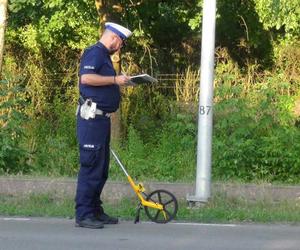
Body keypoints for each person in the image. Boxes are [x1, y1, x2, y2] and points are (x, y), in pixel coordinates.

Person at [75, 22, 132, 229]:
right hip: (91, 120)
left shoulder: (103, 56)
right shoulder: (95, 53)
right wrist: (115, 80)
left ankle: (95, 210)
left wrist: (118, 81)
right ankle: (83, 214)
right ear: (114, 38)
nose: (120, 47)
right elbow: (87, 78)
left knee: (100, 168)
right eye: (121, 43)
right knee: (91, 166)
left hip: (101, 119)